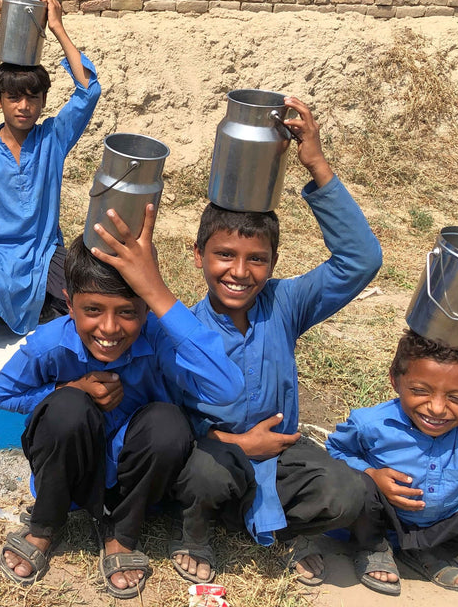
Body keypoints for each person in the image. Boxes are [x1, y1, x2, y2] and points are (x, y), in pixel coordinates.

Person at [167, 96, 383, 586]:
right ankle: (196, 533)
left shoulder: (285, 304)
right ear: (198, 253)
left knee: (348, 492)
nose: (240, 273)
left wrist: (316, 162)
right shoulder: (185, 330)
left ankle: (278, 526)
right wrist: (240, 443)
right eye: (224, 255)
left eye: (257, 260)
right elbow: (175, 425)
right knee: (204, 472)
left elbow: (361, 260)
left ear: (274, 262)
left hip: (283, 453)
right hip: (218, 455)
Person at [0, 205, 244, 599]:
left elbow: (228, 391)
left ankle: (123, 535)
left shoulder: (159, 338)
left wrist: (158, 293)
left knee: (168, 422)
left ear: (146, 308)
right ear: (69, 302)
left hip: (138, 480)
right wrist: (67, 388)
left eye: (128, 312)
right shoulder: (51, 343)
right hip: (71, 477)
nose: (109, 329)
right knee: (67, 409)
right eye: (92, 310)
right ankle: (44, 525)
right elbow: (4, 394)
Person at [0, 0, 100, 335]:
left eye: (33, 97)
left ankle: (41, 306)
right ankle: (44, 309)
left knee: (93, 290)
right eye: (14, 98)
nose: (24, 106)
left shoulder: (53, 138)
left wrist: (58, 27)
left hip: (45, 253)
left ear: (43, 101)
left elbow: (88, 90)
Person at [327, 327, 458, 596]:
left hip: (446, 523)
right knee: (358, 484)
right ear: (395, 380)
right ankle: (373, 547)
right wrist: (371, 473)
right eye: (419, 390)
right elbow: (335, 452)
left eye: (457, 398)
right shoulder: (370, 423)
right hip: (381, 520)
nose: (437, 408)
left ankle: (425, 550)